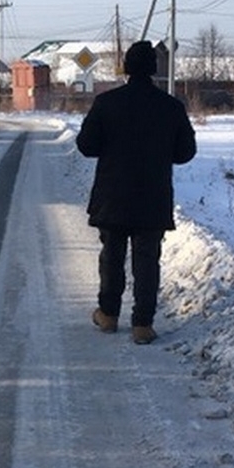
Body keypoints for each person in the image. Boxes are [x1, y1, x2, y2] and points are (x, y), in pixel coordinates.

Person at [76, 40, 196, 345]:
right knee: (147, 260)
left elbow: (86, 147)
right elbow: (185, 152)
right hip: (152, 197)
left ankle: (108, 315)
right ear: (154, 70)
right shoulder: (171, 107)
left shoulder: (107, 103)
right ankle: (143, 325)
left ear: (126, 68)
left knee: (112, 256)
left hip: (113, 196)